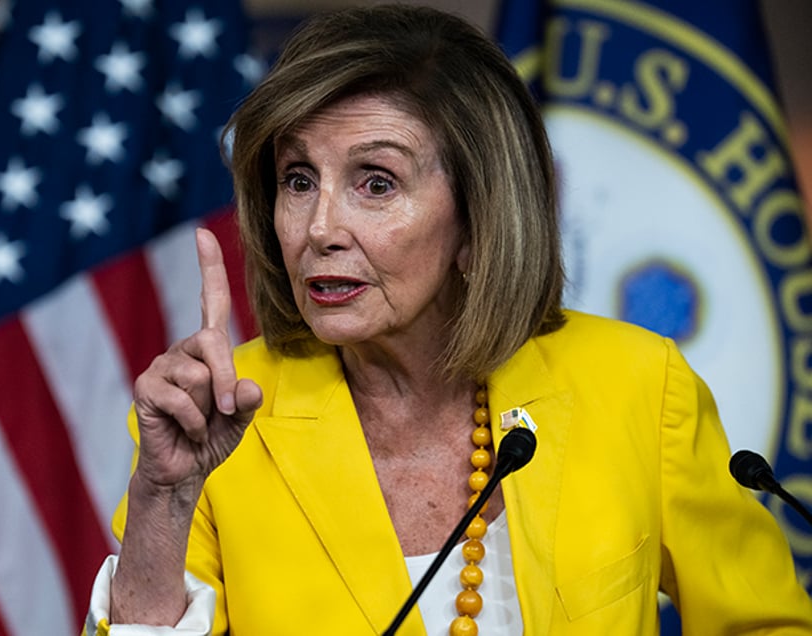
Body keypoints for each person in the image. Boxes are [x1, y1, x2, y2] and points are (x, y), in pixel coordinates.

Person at [85, 4, 812, 635]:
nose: (319, 228)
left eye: (376, 181)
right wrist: (165, 500)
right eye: (297, 180)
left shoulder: (638, 388)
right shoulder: (219, 420)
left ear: (477, 220)